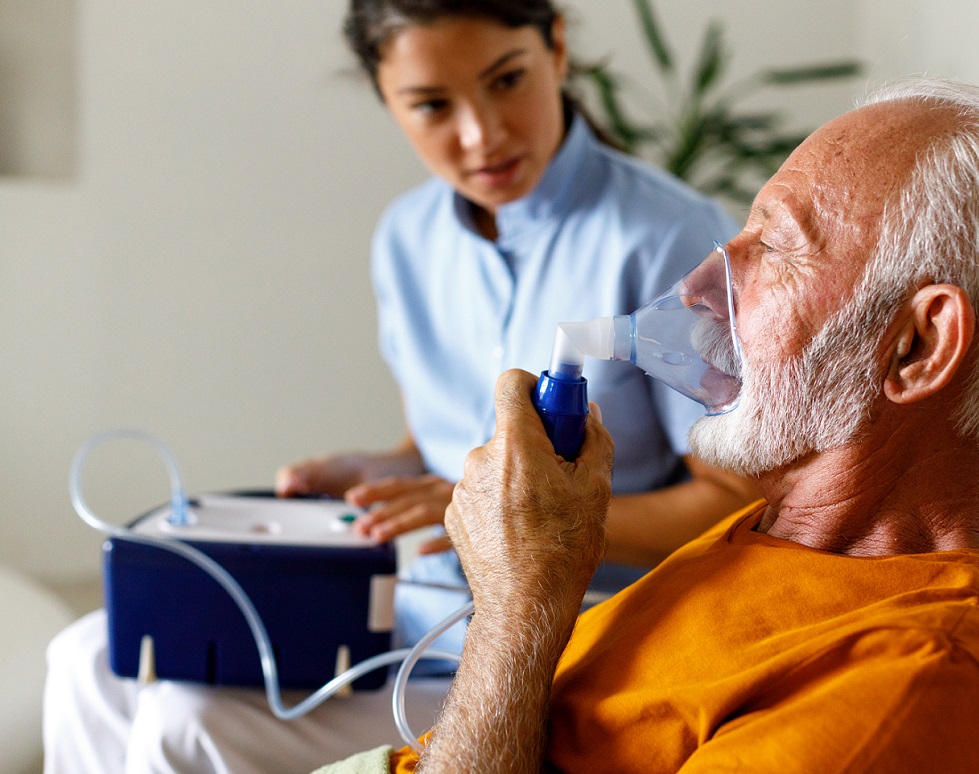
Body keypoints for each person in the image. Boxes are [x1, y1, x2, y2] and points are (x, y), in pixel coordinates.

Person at [41, 1, 758, 771]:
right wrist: (379, 472)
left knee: (189, 720)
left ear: (554, 48)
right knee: (87, 656)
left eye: (506, 80)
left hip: (571, 630)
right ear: (386, 101)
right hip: (425, 599)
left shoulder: (671, 239)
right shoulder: (407, 240)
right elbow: (439, 444)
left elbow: (736, 501)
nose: (482, 134)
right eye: (431, 105)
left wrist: (519, 522)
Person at [321, 77, 979, 773]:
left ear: (915, 347)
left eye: (776, 247)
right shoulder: (779, 534)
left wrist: (519, 601)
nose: (698, 286)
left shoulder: (921, 674)